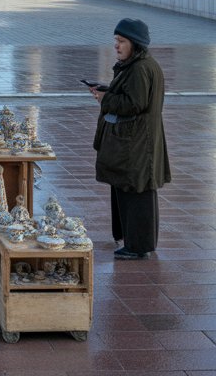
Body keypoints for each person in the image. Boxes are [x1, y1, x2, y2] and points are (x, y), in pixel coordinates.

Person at [90, 18, 170, 260]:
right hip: (135, 142)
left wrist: (105, 99)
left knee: (137, 192)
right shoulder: (139, 65)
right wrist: (108, 91)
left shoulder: (140, 68)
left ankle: (137, 245)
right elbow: (132, 97)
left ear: (135, 44)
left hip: (136, 144)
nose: (116, 46)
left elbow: (133, 103)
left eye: (121, 41)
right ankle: (133, 240)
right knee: (131, 190)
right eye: (116, 40)